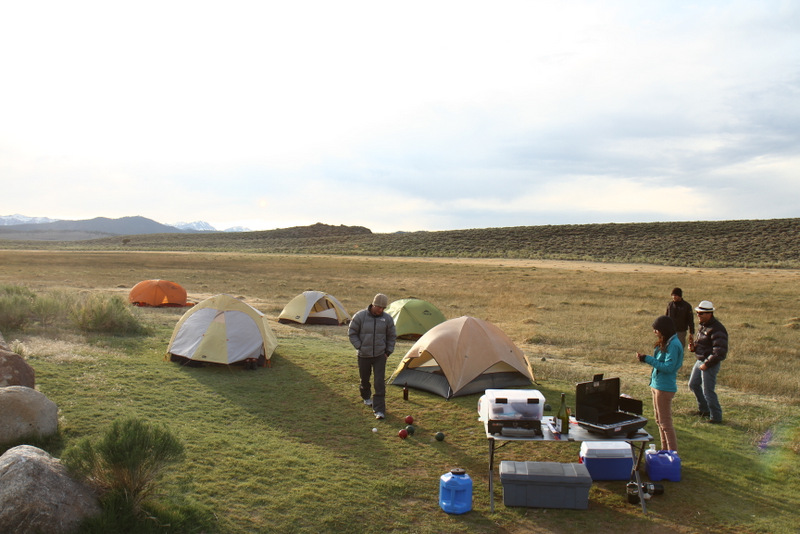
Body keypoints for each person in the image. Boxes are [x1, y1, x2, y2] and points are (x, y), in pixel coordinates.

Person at [636, 315, 684, 451]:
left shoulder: (673, 345)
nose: (654, 332)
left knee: (665, 423)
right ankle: (664, 450)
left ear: (664, 329)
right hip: (657, 385)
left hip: (664, 387)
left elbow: (668, 367)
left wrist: (648, 359)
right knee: (659, 421)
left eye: (656, 329)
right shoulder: (668, 342)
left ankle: (672, 453)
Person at [348, 293, 397, 420]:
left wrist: (388, 351)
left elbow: (392, 336)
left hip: (380, 355)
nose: (381, 310)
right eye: (379, 307)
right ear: (373, 305)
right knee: (365, 379)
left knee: (379, 382)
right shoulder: (360, 316)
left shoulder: (387, 319)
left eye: (383, 308)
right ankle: (366, 396)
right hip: (363, 355)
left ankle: (379, 410)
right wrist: (360, 346)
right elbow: (352, 332)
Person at [687, 300, 728, 424]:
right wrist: (694, 347)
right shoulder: (703, 325)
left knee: (708, 391)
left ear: (709, 313)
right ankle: (704, 410)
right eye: (697, 313)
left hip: (709, 364)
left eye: (701, 313)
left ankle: (716, 417)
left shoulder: (717, 329)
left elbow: (720, 352)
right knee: (693, 384)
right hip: (700, 361)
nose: (698, 315)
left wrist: (707, 364)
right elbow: (703, 344)